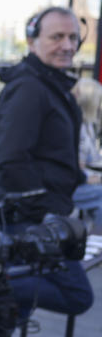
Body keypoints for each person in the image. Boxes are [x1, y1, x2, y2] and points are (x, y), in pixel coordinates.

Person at [0, 6, 94, 319]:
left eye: (73, 37)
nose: (68, 45)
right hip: (30, 216)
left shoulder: (48, 83)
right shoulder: (30, 88)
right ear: (32, 41)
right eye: (57, 37)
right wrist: (45, 212)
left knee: (3, 321)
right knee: (76, 295)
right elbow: (10, 158)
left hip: (40, 213)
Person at [71, 77, 102, 229]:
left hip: (81, 177)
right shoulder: (78, 126)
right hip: (74, 183)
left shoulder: (88, 124)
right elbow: (79, 165)